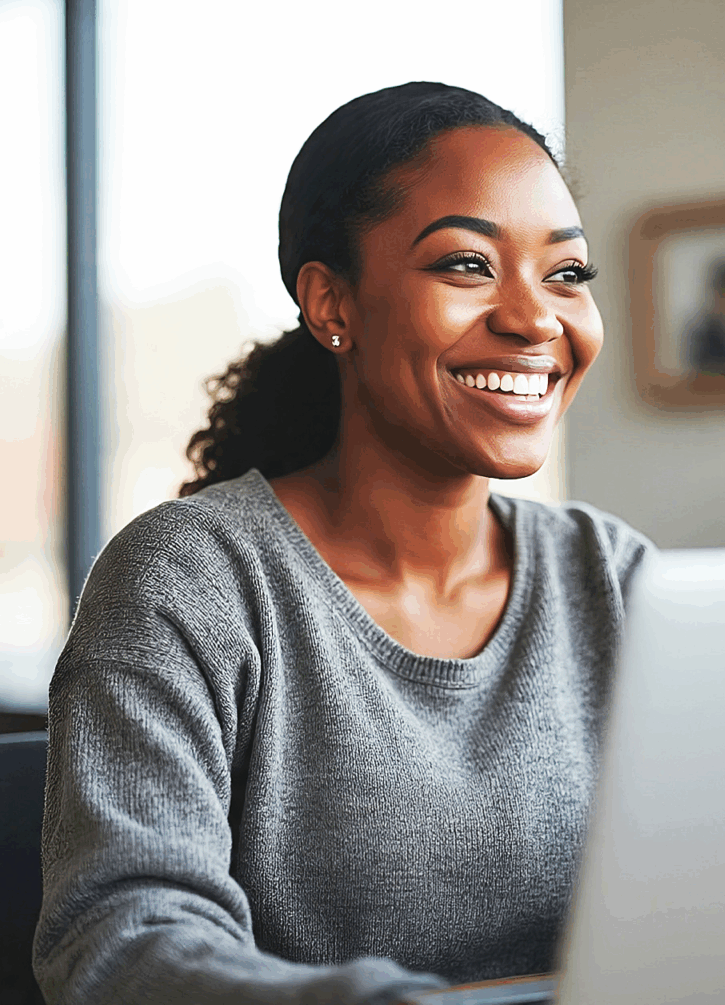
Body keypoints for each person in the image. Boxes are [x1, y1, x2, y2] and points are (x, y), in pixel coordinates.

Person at [32, 82, 657, 1005]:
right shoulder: (190, 582)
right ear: (333, 302)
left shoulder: (616, 576)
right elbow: (123, 940)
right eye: (467, 265)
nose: (535, 319)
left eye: (566, 273)